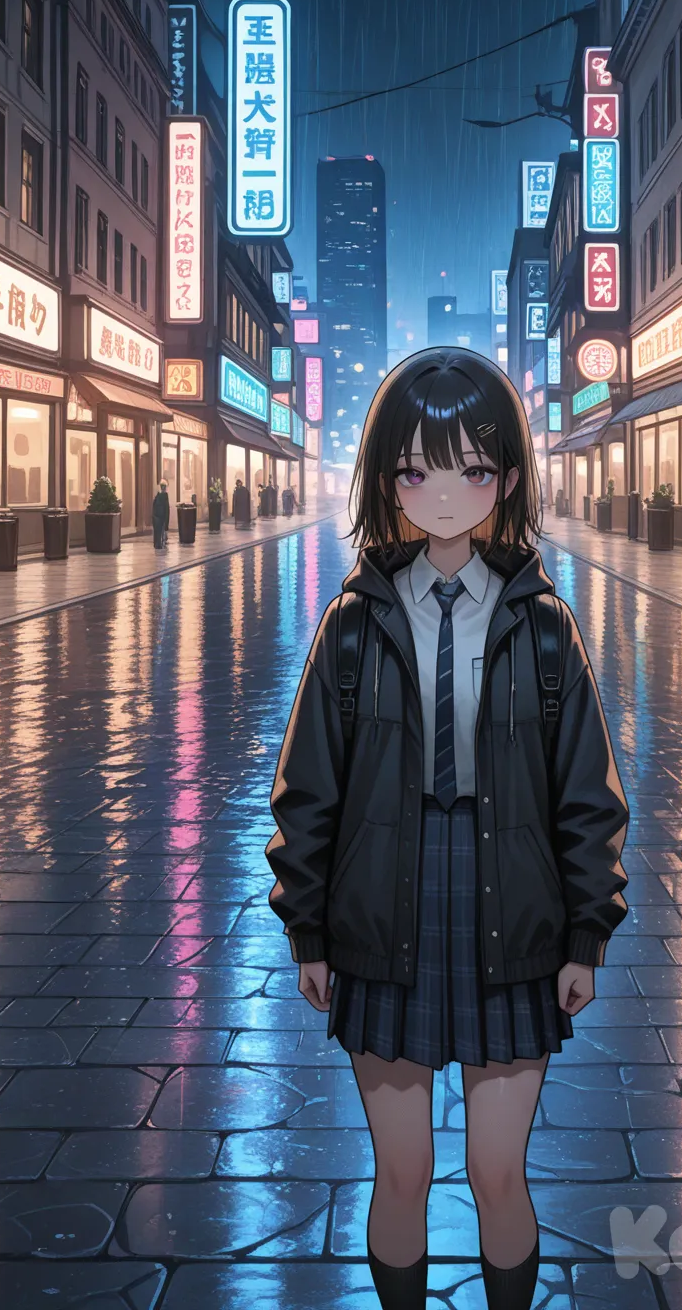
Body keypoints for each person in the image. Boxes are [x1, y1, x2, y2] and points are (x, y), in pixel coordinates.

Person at [266, 347, 629, 1310]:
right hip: (384, 909)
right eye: (417, 469)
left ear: (505, 479)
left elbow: (586, 797)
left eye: (472, 468)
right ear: (389, 478)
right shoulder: (351, 624)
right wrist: (307, 925)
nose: (442, 493)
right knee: (404, 1173)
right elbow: (309, 789)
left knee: (499, 1173)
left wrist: (587, 932)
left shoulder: (545, 628)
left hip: (513, 909)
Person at [152, 480, 170, 549]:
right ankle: (159, 543)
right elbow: (166, 508)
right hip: (160, 516)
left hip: (157, 516)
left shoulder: (157, 495)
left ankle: (158, 543)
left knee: (157, 530)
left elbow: (154, 506)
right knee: (160, 530)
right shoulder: (164, 496)